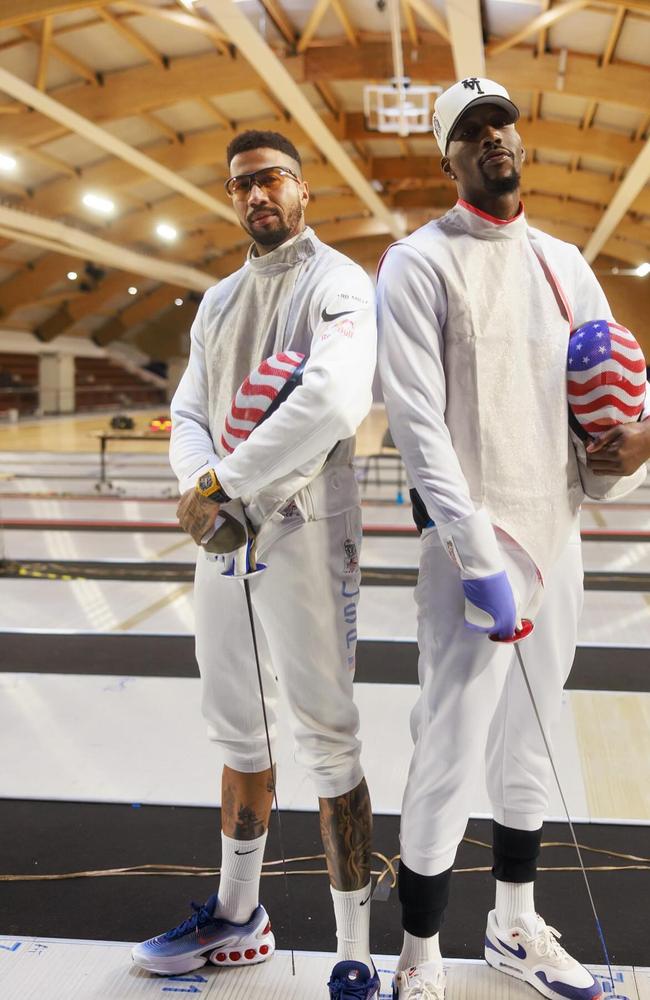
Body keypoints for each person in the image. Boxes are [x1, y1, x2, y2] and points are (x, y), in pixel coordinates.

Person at [377, 77, 650, 1000]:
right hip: (474, 556)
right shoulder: (418, 263)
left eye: (502, 124)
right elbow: (418, 425)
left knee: (533, 743)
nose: (493, 138)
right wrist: (472, 551)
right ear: (447, 156)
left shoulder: (565, 264)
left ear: (518, 142)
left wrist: (632, 447)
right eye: (471, 131)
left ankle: (515, 925)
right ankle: (417, 957)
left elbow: (606, 408)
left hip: (557, 534)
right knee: (448, 751)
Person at [132, 129, 380, 1000]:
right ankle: (241, 916)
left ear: (303, 188)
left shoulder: (341, 283)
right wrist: (202, 486)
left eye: (272, 179)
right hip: (225, 534)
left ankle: (355, 945)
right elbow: (188, 407)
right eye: (241, 184)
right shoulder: (217, 302)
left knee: (326, 733)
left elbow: (334, 398)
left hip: (306, 530)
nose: (256, 195)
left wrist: (226, 485)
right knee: (236, 725)